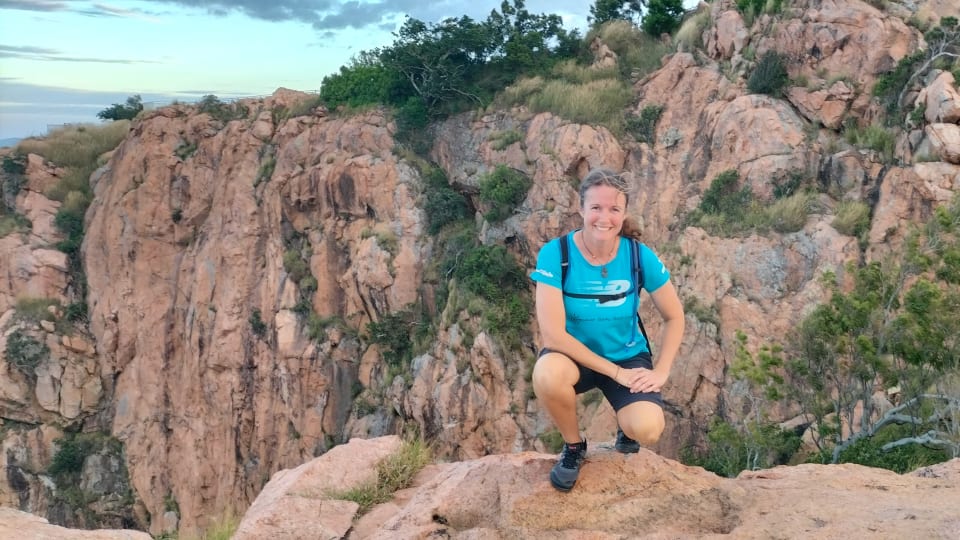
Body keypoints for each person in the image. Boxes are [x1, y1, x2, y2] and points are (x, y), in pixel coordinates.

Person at [530, 167, 685, 492]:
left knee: (648, 429)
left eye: (614, 209)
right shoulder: (556, 255)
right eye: (596, 207)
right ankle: (574, 447)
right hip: (573, 358)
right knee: (546, 374)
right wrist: (615, 373)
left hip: (627, 357)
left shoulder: (638, 256)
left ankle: (625, 429)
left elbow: (674, 316)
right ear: (582, 208)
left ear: (624, 212)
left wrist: (661, 371)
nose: (605, 217)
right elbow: (554, 336)